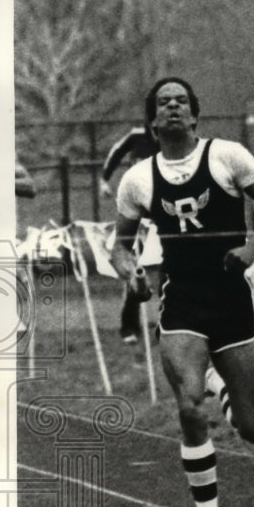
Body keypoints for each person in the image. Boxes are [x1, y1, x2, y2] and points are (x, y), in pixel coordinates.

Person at [111, 77, 254, 507]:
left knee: (253, 429)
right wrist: (132, 276)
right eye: (163, 103)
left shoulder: (228, 156)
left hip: (232, 299)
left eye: (181, 102)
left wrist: (253, 247)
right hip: (182, 301)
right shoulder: (139, 180)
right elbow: (120, 248)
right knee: (188, 409)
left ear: (194, 115)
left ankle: (220, 384)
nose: (172, 108)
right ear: (152, 120)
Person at [100, 124, 159, 344]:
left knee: (170, 273)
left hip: (163, 217)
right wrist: (104, 179)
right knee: (134, 272)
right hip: (136, 218)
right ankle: (129, 327)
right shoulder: (136, 137)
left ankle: (173, 324)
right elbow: (116, 152)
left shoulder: (174, 139)